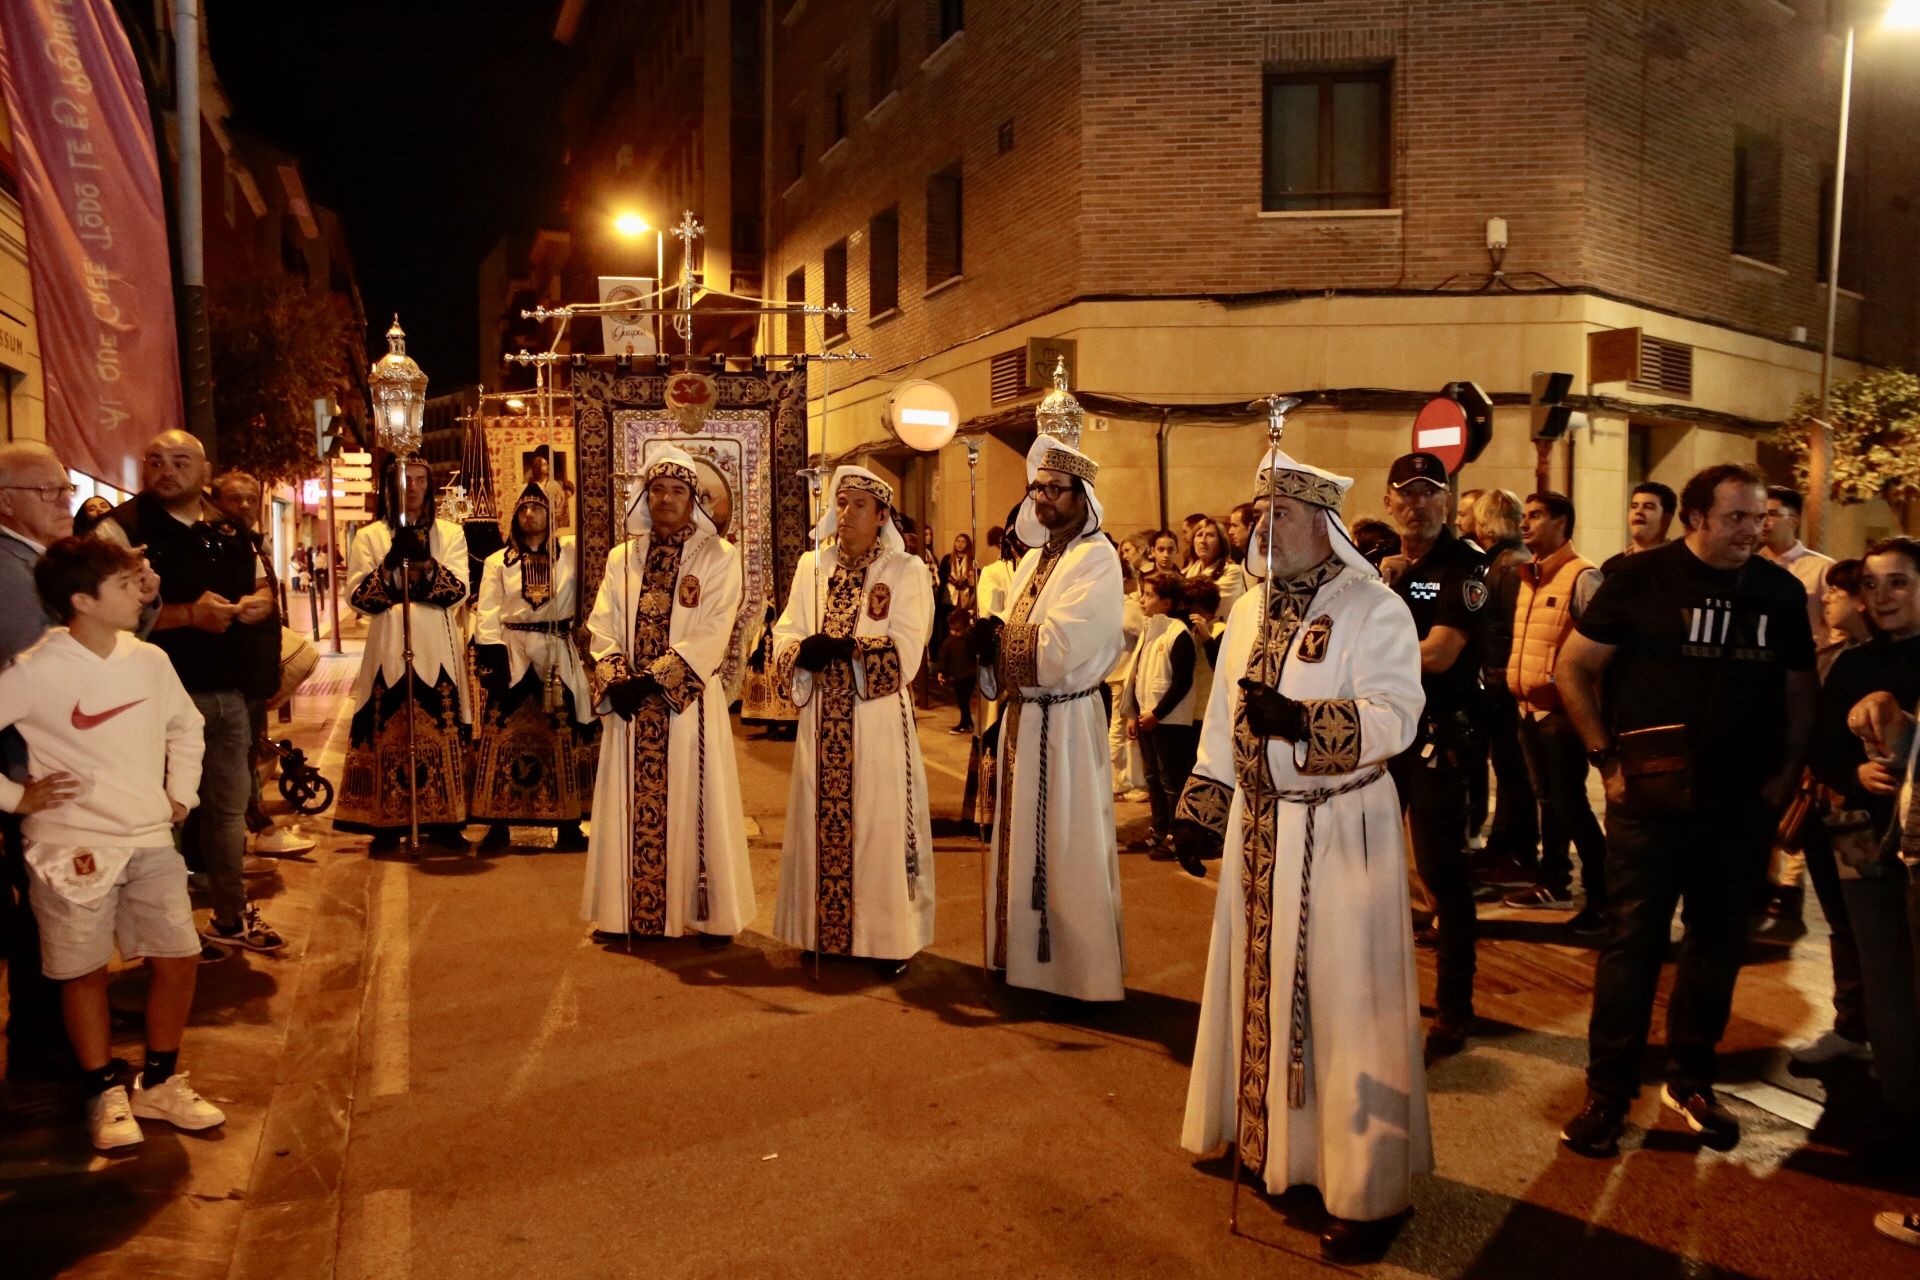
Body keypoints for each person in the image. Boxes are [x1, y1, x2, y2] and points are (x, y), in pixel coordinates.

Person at [1175, 446, 1430, 1265]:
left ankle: (1364, 1187)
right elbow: (1222, 717)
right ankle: (1267, 1143)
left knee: (1347, 1006)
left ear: (1323, 523)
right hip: (1260, 832)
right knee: (1259, 991)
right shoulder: (1247, 610)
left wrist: (1308, 725)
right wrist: (1205, 807)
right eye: (1258, 514)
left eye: (1281, 514)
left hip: (1340, 828)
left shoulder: (1373, 608)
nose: (1263, 528)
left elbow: (1397, 715)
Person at [1556, 463, 1817, 1157]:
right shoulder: (1640, 580)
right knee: (1633, 945)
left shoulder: (1780, 592)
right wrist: (1603, 758)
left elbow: (1798, 693)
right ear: (1697, 517)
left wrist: (1788, 774)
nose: (1751, 531)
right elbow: (1573, 668)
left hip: (1740, 806)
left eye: (1759, 518)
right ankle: (1607, 1094)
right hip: (1650, 800)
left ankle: (1692, 1079)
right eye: (1736, 518)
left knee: (1715, 947)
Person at [0, 537, 224, 1150]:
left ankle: (160, 1080)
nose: (142, 590)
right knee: (84, 971)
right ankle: (103, 1089)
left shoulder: (148, 661)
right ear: (82, 599)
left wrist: (181, 798)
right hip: (70, 847)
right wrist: (17, 799)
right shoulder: (35, 670)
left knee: (177, 957)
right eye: (126, 583)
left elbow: (188, 727)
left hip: (150, 837)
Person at [112, 432, 283, 953]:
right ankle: (167, 935)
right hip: (151, 700)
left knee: (228, 812)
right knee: (164, 817)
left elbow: (261, 584)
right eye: (155, 461)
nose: (166, 471)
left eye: (180, 461)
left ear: (203, 469)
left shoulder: (229, 529)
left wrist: (259, 602)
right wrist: (189, 615)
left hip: (227, 693)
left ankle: (230, 917)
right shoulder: (121, 529)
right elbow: (97, 613)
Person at [973, 434, 1127, 1002]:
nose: (1043, 499)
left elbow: (1061, 644)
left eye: (1055, 490)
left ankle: (1078, 976)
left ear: (1082, 497)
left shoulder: (1097, 558)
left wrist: (1001, 640)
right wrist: (985, 644)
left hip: (1065, 722)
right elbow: (1016, 634)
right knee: (1024, 844)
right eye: (1037, 488)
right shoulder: (1034, 558)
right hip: (1024, 721)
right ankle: (1025, 967)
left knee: (1067, 845)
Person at [582, 448, 752, 944]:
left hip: (688, 707)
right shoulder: (623, 558)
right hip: (631, 710)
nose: (666, 499)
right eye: (658, 489)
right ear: (644, 495)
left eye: (678, 491)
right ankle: (622, 913)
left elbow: (715, 629)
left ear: (693, 499)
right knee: (625, 804)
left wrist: (654, 678)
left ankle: (707, 915)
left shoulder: (720, 557)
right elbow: (602, 623)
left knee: (699, 804)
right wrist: (616, 675)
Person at [772, 466, 935, 977]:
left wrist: (851, 649)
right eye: (841, 503)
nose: (846, 514)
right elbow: (786, 631)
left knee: (878, 826)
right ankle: (820, 931)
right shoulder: (811, 567)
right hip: (821, 720)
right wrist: (801, 651)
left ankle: (885, 940)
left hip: (876, 721)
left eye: (859, 504)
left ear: (882, 514)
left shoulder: (906, 570)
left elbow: (909, 645)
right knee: (817, 823)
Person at [1810, 538, 1920, 1157]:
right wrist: (1856, 774)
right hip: (1858, 834)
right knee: (1882, 974)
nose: (1882, 598)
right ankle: (1900, 1108)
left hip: (1917, 842)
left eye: (1899, 583)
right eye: (1873, 586)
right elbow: (1822, 748)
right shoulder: (1851, 662)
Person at [1383, 451, 1490, 1060]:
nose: (1418, 503)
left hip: (1438, 736)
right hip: (1383, 736)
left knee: (1442, 877)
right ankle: (1381, 989)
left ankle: (1454, 1008)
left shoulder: (1466, 567)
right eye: (1408, 493)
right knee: (1371, 863)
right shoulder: (1384, 566)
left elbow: (1439, 655)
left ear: (1447, 502)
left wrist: (1375, 639)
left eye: (1431, 492)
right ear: (1389, 501)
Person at [337, 454, 471, 852]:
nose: (412, 488)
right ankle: (387, 824)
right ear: (390, 488)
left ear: (429, 486)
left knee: (440, 726)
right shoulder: (369, 536)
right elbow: (359, 599)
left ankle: (446, 821)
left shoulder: (450, 534)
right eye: (403, 480)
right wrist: (389, 566)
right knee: (388, 728)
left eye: (419, 480)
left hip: (436, 644)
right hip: (389, 644)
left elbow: (458, 590)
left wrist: (427, 565)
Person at [0, 442, 82, 1078]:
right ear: (7, 502)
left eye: (65, 489)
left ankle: (60, 1030)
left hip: (46, 772)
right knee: (41, 918)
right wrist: (12, 794)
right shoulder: (9, 574)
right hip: (29, 772)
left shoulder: (37, 562)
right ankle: (39, 1052)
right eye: (50, 492)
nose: (66, 501)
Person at [1499, 492, 1607, 931]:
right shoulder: (1531, 575)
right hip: (1528, 708)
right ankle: (1554, 881)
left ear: (1563, 522)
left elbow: (1597, 651)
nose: (1526, 525)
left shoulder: (1583, 576)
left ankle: (1601, 894)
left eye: (1537, 517)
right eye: (1524, 517)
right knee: (1550, 801)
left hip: (1562, 713)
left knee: (1570, 803)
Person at [470, 486, 595, 852]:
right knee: (503, 734)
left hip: (556, 647)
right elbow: (489, 609)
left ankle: (569, 823)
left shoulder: (571, 554)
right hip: (513, 651)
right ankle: (497, 823)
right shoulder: (498, 562)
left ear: (551, 515)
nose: (530, 516)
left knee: (566, 733)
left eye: (537, 509)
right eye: (523, 509)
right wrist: (489, 651)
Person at [1759, 485, 1837, 920]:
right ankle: (1764, 876)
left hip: (1803, 687)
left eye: (1773, 513)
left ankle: (1791, 882)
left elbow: (1835, 628)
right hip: (1762, 692)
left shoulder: (1819, 571)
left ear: (1794, 519)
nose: (1765, 522)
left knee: (1803, 786)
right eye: (1760, 514)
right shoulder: (1748, 567)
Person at [1467, 489, 1537, 883]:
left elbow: (1512, 629)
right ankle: (1505, 847)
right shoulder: (1502, 562)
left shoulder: (1510, 566)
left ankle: (1516, 852)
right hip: (1498, 680)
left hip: (1504, 682)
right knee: (1508, 769)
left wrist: (1498, 674)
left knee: (1515, 771)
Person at [1119, 572, 1197, 859]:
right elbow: (1138, 674)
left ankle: (1177, 837)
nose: (1142, 599)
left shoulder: (1178, 633)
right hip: (1147, 718)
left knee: (1171, 780)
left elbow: (1181, 682)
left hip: (1170, 721)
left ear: (1167, 603)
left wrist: (1158, 713)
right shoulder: (1151, 629)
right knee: (1153, 777)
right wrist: (1133, 714)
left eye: (1149, 595)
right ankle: (1159, 830)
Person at [1601, 481, 1677, 576]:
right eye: (1634, 506)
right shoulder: (1612, 566)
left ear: (1667, 518)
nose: (1638, 511)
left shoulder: (1678, 566)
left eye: (1648, 507)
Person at [1184, 515, 1243, 615]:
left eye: (1210, 535)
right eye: (1199, 535)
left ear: (1221, 544)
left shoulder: (1232, 571)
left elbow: (1208, 604)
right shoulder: (1189, 572)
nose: (1203, 541)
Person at [937, 609, 978, 735]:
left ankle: (966, 723)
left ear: (965, 627)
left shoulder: (969, 638)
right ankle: (967, 722)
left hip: (968, 675)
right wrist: (941, 671)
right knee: (962, 701)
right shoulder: (949, 642)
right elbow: (944, 657)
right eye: (952, 629)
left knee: (963, 700)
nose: (954, 633)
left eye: (958, 630)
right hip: (958, 675)